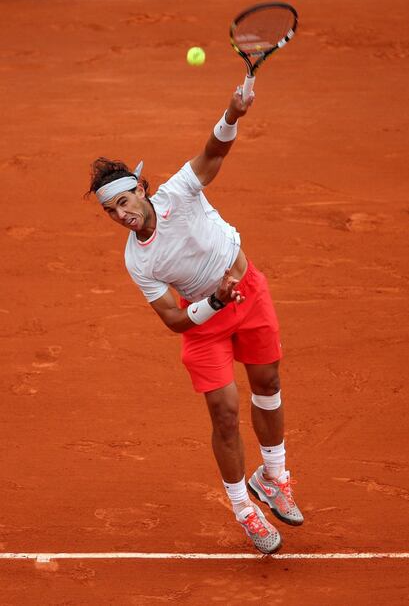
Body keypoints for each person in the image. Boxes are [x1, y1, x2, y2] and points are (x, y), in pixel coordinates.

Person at [87, 86, 303, 554]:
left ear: (141, 189)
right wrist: (216, 303)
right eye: (111, 211)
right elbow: (172, 319)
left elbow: (213, 150)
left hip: (250, 292)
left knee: (267, 385)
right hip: (205, 322)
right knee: (224, 413)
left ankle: (273, 477)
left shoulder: (179, 193)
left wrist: (233, 111)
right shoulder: (136, 261)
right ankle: (243, 507)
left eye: (124, 202)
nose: (121, 215)